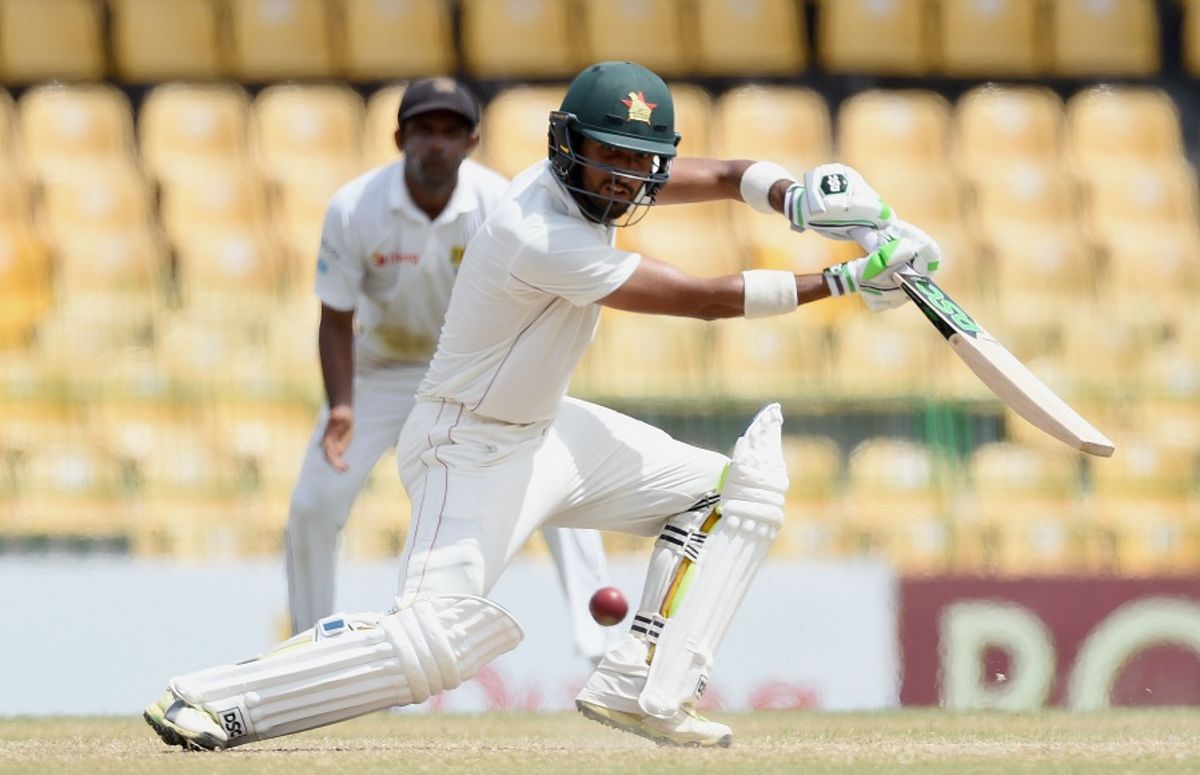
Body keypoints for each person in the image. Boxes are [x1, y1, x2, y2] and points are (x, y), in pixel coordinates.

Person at [144, 61, 940, 751]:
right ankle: (216, 695)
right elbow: (702, 300)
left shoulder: (603, 183)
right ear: (568, 146)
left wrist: (802, 198)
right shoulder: (537, 229)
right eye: (609, 159)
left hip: (550, 432)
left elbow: (731, 174)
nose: (626, 180)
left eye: (642, 163)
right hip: (468, 446)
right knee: (440, 643)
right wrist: (842, 279)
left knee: (734, 492)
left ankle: (639, 677)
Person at [283, 76, 613, 660]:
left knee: (556, 476)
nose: (436, 144)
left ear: (472, 141)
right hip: (382, 370)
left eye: (450, 132)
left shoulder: (498, 203)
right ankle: (310, 653)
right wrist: (341, 404)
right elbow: (335, 318)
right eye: (423, 131)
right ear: (399, 138)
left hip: (478, 368)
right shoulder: (355, 207)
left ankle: (601, 649)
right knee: (314, 503)